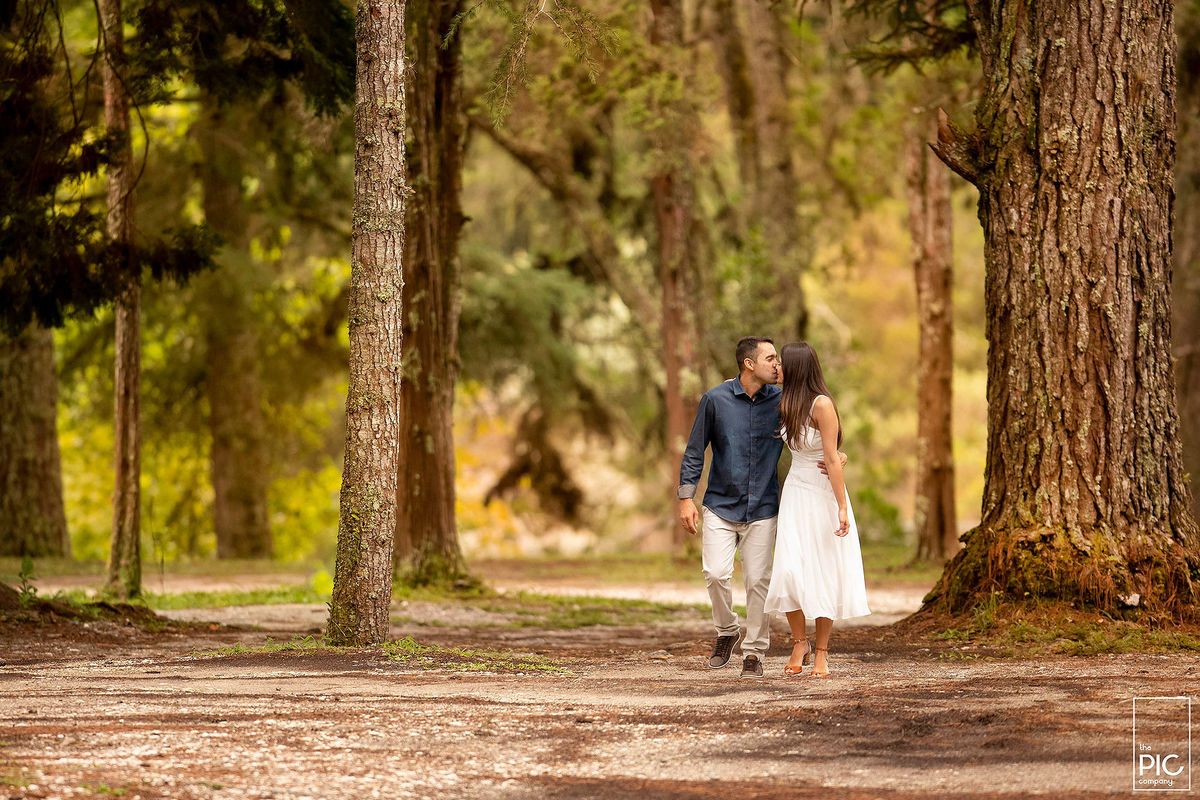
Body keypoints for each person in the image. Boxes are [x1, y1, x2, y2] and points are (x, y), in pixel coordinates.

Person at [677, 336, 845, 678]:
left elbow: (821, 433)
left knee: (759, 582)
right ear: (748, 364)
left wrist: (840, 456)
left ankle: (754, 652)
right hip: (720, 504)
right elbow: (695, 451)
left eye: (779, 360)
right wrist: (685, 497)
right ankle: (727, 630)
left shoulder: (784, 401)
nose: (777, 365)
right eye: (771, 359)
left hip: (764, 507)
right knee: (715, 574)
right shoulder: (715, 400)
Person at [765, 341, 870, 678]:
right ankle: (800, 642)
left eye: (781, 363)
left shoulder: (822, 404)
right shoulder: (784, 403)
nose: (777, 368)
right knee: (789, 570)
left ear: (796, 367)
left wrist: (841, 506)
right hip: (796, 492)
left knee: (824, 569)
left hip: (823, 493)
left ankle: (822, 651)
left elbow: (831, 457)